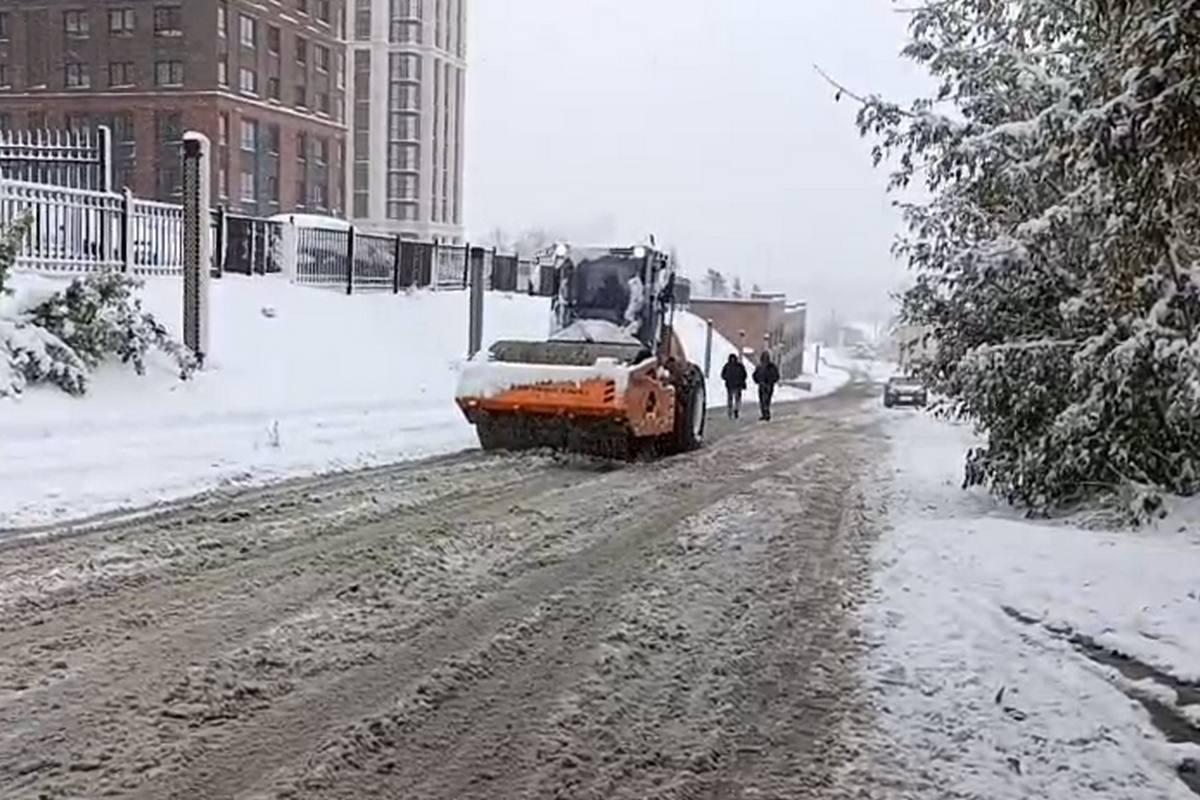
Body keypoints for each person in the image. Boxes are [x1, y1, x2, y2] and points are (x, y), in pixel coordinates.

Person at [753, 351, 781, 421]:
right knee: (763, 400)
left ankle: (766, 413)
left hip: (767, 385)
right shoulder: (760, 367)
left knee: (765, 400)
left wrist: (771, 381)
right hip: (763, 385)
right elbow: (755, 375)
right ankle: (765, 413)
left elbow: (776, 376)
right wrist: (757, 380)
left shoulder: (769, 367)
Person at [720, 354, 748, 419]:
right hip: (736, 385)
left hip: (732, 384)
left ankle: (732, 410)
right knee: (736, 398)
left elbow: (723, 375)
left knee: (731, 398)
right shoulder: (739, 366)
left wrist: (727, 378)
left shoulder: (727, 366)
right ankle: (735, 409)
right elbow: (744, 375)